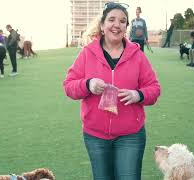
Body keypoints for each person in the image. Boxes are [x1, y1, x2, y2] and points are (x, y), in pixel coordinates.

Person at [63, 2, 161, 180]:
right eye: (112, 19)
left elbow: (154, 88)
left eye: (123, 21)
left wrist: (138, 95)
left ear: (126, 27)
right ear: (102, 25)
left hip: (131, 136)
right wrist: (88, 84)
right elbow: (69, 86)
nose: (117, 25)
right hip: (95, 136)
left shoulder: (137, 55)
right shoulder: (87, 53)